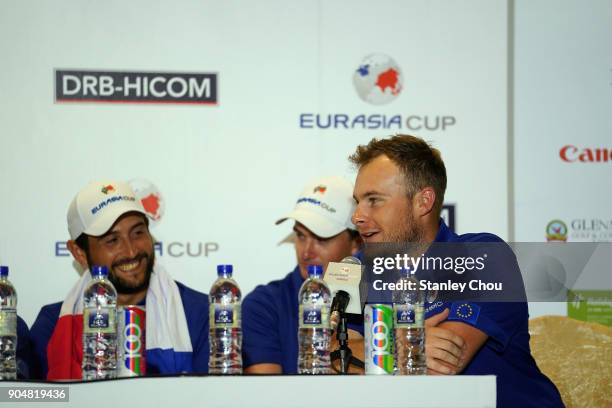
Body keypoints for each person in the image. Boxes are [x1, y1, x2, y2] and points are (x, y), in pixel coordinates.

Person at [349, 135, 563, 407]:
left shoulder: (483, 257)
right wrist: (400, 345)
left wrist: (370, 346)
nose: (357, 215)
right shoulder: (361, 268)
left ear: (423, 201)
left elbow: (440, 365)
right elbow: (327, 353)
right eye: (357, 201)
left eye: (374, 200)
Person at [29, 180, 209, 380]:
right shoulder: (53, 325)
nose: (131, 251)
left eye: (138, 233)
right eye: (112, 240)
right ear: (79, 253)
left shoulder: (200, 313)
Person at [242, 176, 362, 374]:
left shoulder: (380, 303)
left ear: (356, 243)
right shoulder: (264, 305)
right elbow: (263, 397)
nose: (306, 252)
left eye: (321, 238)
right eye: (300, 235)